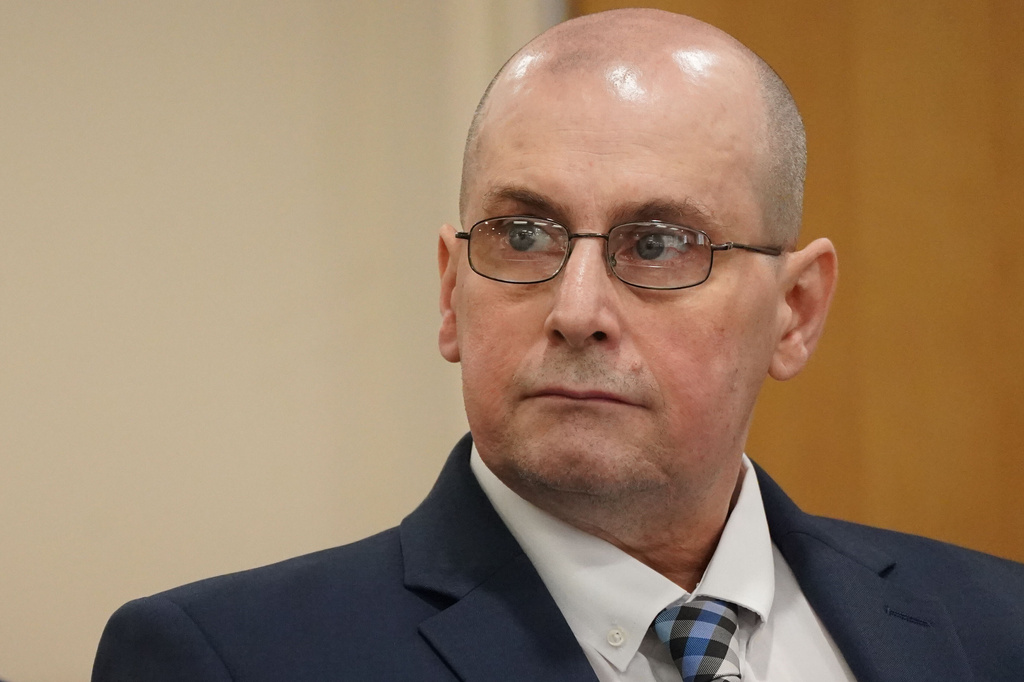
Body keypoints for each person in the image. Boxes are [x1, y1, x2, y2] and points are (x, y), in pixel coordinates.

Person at [92, 8, 1024, 682]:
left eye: (658, 245)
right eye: (523, 236)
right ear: (452, 293)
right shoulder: (226, 659)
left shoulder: (995, 628)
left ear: (796, 312)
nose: (577, 309)